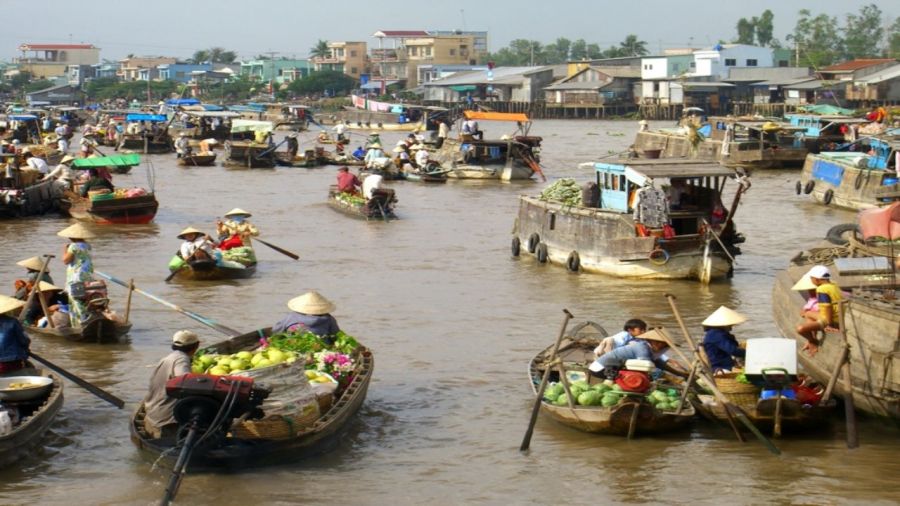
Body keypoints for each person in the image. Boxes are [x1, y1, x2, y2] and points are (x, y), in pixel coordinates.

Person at [141, 330, 201, 438]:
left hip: (152, 413)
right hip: (165, 421)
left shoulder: (168, 358)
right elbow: (185, 382)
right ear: (196, 346)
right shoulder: (181, 360)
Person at [588, 328, 680, 379]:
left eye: (664, 345)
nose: (660, 346)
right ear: (652, 341)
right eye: (659, 343)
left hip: (614, 367)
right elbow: (648, 367)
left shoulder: (649, 349)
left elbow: (659, 364)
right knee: (640, 378)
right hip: (602, 369)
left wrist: (679, 373)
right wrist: (668, 377)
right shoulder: (642, 348)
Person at [796, 265, 842, 356]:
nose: (811, 281)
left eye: (812, 279)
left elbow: (827, 307)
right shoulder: (834, 285)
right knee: (808, 314)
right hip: (836, 315)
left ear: (817, 279)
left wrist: (829, 324)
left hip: (830, 319)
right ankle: (813, 336)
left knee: (800, 329)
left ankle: (812, 341)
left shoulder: (822, 289)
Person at [59, 223, 96, 327]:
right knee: (85, 298)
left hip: (76, 277)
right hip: (87, 276)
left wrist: (65, 249)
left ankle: (80, 322)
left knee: (75, 299)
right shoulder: (88, 246)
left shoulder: (73, 246)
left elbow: (65, 260)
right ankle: (87, 318)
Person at [272, 291, 340, 342]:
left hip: (292, 348)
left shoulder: (291, 317)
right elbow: (335, 336)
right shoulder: (329, 319)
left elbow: (276, 331)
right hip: (321, 350)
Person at [700, 306, 747, 374]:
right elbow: (733, 350)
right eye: (729, 325)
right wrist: (748, 353)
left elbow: (733, 345)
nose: (731, 328)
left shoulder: (717, 333)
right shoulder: (715, 335)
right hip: (719, 368)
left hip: (724, 364)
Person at [0, 295, 30, 375]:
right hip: (11, 361)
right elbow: (24, 340)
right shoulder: (12, 322)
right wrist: (25, 350)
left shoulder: (12, 322)